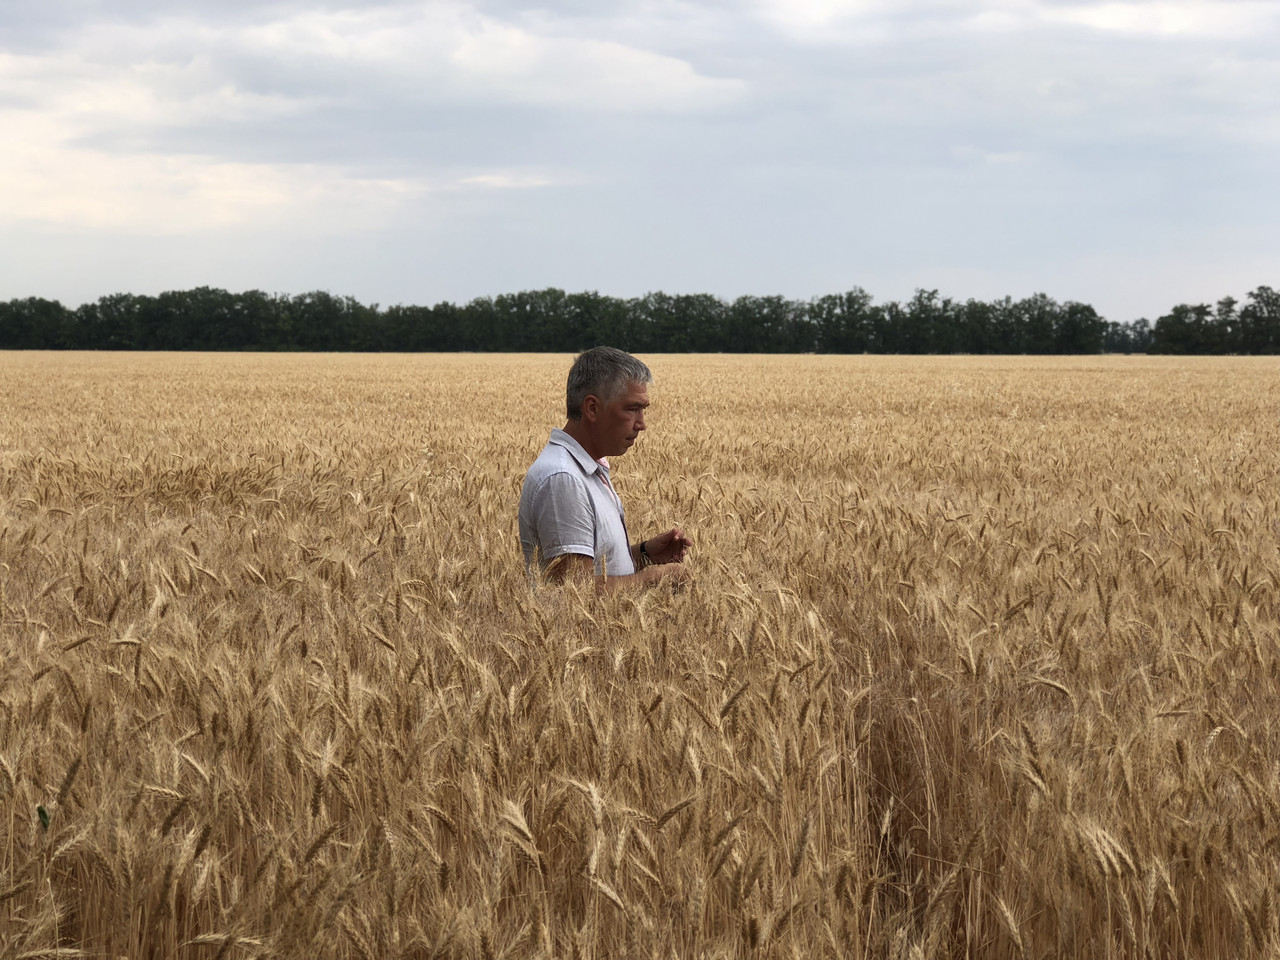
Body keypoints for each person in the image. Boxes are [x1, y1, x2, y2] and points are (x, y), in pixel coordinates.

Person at [519, 346, 692, 590]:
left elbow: (596, 568)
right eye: (632, 409)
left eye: (644, 409)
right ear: (592, 408)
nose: (642, 424)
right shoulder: (563, 479)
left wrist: (644, 555)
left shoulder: (589, 466)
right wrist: (654, 579)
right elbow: (575, 592)